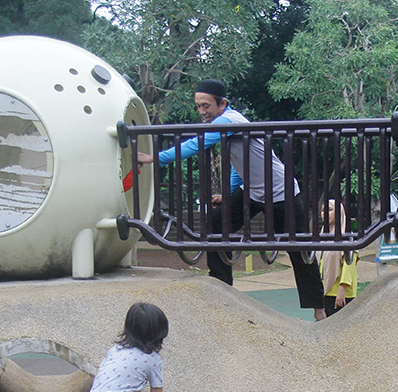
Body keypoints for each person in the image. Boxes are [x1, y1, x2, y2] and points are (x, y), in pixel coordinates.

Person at [136, 79, 324, 316]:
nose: (203, 111)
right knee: (217, 222)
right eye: (199, 106)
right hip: (252, 192)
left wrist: (156, 158)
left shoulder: (230, 120)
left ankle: (320, 309)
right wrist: (229, 195)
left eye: (207, 106)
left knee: (299, 249)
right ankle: (221, 286)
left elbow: (197, 143)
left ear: (222, 103)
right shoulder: (224, 125)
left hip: (280, 192)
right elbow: (239, 162)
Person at [316, 199, 359, 319]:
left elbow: (349, 264)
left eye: (329, 210)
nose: (324, 213)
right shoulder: (323, 236)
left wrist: (342, 289)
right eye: (323, 210)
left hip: (340, 294)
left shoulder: (347, 238)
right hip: (325, 292)